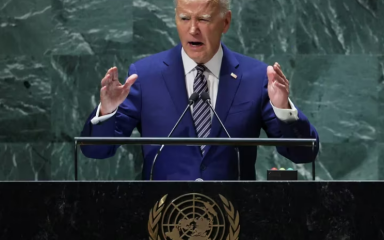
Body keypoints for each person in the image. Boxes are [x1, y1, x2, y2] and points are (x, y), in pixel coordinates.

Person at [80, 0, 319, 180]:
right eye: (184, 18)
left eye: (203, 19)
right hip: (162, 219)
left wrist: (283, 109)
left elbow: (304, 154)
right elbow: (96, 150)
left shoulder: (255, 77)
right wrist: (107, 110)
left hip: (234, 221)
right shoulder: (145, 75)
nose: (193, 29)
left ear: (225, 22)